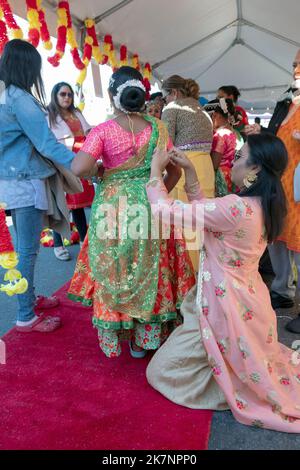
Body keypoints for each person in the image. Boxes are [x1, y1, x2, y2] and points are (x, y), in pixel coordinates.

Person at [146, 134, 300, 433]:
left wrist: (155, 173)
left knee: (160, 372)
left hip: (224, 304)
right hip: (246, 299)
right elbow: (207, 213)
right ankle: (229, 371)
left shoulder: (236, 208)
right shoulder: (262, 204)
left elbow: (165, 211)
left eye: (240, 157)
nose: (233, 162)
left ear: (255, 171)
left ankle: (230, 383)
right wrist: (190, 172)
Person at [68, 66, 195, 358]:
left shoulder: (104, 130)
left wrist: (100, 172)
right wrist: (159, 190)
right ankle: (144, 339)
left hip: (114, 206)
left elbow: (78, 168)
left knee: (119, 267)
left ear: (115, 97)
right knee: (152, 265)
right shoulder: (158, 128)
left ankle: (123, 331)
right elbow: (174, 169)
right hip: (151, 200)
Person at [0, 40, 78, 332]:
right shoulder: (19, 98)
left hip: (10, 181)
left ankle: (28, 298)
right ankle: (25, 315)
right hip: (25, 182)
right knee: (28, 251)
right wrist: (84, 164)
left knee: (23, 248)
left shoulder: (5, 94)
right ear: (27, 66)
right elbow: (46, 144)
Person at [245, 50, 300, 333]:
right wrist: (261, 133)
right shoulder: (287, 100)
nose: (296, 69)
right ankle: (282, 289)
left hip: (299, 183)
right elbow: (276, 135)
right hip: (282, 181)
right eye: (293, 63)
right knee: (278, 235)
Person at [161, 75, 214, 270]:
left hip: (184, 167)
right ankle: (204, 271)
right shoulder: (203, 110)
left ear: (174, 93)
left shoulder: (172, 108)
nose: (164, 100)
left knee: (185, 224)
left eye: (165, 95)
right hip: (205, 167)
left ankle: (188, 275)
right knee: (202, 220)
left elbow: (164, 145)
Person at [47, 82, 94, 261]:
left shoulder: (77, 113)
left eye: (69, 94)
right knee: (61, 205)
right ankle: (58, 245)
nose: (67, 97)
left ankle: (84, 241)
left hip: (80, 161)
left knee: (79, 205)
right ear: (55, 96)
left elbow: (89, 131)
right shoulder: (48, 115)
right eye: (63, 94)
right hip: (60, 163)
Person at [204, 98, 237, 196]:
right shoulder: (232, 132)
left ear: (214, 115)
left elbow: (214, 164)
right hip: (229, 174)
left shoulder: (220, 135)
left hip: (220, 177)